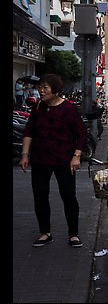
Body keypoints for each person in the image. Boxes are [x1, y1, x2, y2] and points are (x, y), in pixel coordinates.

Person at [19, 74, 88, 248]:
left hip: (64, 160)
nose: (41, 91)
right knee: (40, 195)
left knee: (68, 195)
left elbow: (81, 134)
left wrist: (76, 156)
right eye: (40, 87)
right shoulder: (37, 108)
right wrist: (25, 155)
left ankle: (73, 234)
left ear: (56, 91)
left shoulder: (68, 109)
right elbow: (29, 131)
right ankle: (45, 232)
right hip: (41, 159)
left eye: (45, 88)